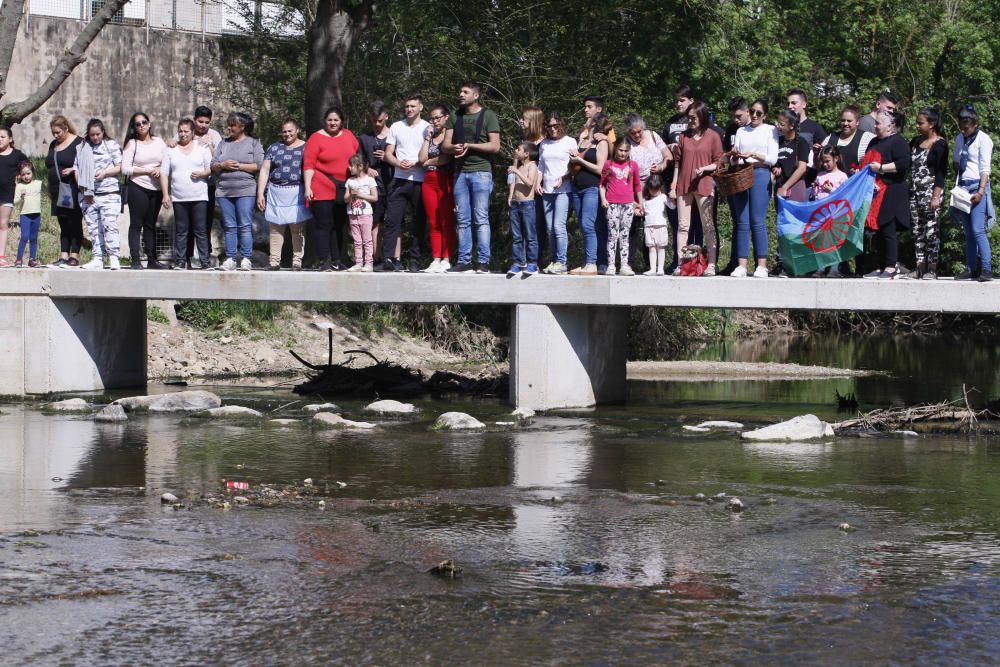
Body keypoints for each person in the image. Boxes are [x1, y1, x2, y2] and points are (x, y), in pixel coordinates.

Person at [442, 80, 501, 274]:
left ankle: (483, 262)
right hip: (460, 173)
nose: (461, 94)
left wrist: (470, 145)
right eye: (460, 91)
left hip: (482, 172)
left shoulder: (488, 115)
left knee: (481, 217)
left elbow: (495, 146)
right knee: (463, 219)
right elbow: (445, 146)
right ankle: (464, 260)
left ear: (476, 95)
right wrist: (455, 147)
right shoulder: (454, 116)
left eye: (465, 91)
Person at [821, 105, 876, 277]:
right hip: (834, 197)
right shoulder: (830, 138)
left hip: (856, 194)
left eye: (849, 121)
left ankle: (862, 268)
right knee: (834, 231)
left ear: (858, 122)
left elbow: (872, 161)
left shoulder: (866, 139)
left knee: (857, 230)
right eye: (843, 120)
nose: (845, 124)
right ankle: (837, 267)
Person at [378, 94, 430, 272]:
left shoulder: (427, 127)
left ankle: (415, 260)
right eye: (407, 106)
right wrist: (398, 163)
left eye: (413, 106)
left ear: (421, 107)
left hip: (420, 180)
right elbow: (388, 153)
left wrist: (417, 162)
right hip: (399, 179)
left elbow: (432, 152)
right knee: (392, 221)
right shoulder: (396, 126)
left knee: (419, 222)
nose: (409, 109)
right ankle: (388, 259)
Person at [670, 101, 723, 276]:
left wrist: (705, 169)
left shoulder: (713, 136)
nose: (690, 121)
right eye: (688, 117)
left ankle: (712, 263)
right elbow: (677, 162)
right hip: (684, 184)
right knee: (683, 226)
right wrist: (674, 184)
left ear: (702, 116)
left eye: (693, 117)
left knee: (708, 226)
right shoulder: (683, 137)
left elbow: (719, 163)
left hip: (704, 184)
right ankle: (681, 264)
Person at [304, 106, 359, 271]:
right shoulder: (316, 138)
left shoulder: (349, 135)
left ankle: (337, 259)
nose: (333, 123)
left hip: (344, 188)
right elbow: (308, 165)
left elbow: (357, 157)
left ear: (341, 121)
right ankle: (323, 260)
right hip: (321, 185)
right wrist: (308, 187)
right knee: (324, 224)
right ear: (325, 121)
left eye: (336, 120)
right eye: (330, 120)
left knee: (339, 224)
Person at [731, 99, 778, 278]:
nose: (755, 115)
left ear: (765, 115)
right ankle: (742, 264)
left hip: (760, 173)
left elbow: (772, 159)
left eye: (759, 113)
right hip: (742, 173)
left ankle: (762, 264)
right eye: (752, 111)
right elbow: (735, 156)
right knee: (742, 220)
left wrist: (755, 155)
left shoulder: (770, 130)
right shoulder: (741, 130)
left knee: (757, 220)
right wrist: (735, 156)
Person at [212, 112, 263, 271]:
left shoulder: (254, 143)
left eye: (232, 125)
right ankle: (231, 258)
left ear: (243, 126)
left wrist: (239, 166)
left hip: (245, 190)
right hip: (225, 191)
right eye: (229, 124)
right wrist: (223, 165)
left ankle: (246, 258)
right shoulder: (223, 143)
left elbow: (260, 165)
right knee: (229, 225)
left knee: (245, 225)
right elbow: (213, 165)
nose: (229, 127)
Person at [256, 117, 309, 271]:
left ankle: (297, 260)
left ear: (297, 130)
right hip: (275, 191)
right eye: (284, 131)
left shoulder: (306, 147)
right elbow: (265, 170)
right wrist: (260, 193)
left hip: (297, 191)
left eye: (290, 131)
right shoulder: (274, 147)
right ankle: (274, 261)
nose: (287, 134)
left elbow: (309, 170)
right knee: (275, 229)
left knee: (297, 228)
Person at [864, 110, 911, 279]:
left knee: (887, 228)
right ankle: (880, 265)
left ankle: (891, 266)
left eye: (878, 123)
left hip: (892, 191)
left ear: (890, 126)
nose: (875, 126)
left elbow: (904, 163)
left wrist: (883, 168)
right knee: (877, 230)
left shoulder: (898, 142)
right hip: (875, 192)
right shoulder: (874, 142)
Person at [949, 104, 994, 282]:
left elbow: (985, 169)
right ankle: (971, 268)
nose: (963, 130)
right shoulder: (960, 138)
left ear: (975, 124)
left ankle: (987, 269)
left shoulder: (984, 140)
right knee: (967, 231)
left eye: (966, 127)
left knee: (978, 229)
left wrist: (981, 191)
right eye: (961, 126)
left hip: (977, 187)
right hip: (963, 188)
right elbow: (956, 162)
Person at [903, 106, 947, 280]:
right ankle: (919, 268)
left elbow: (941, 173)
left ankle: (932, 269)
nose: (917, 126)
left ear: (931, 124)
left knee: (931, 232)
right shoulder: (915, 141)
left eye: (920, 123)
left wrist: (936, 196)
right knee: (918, 231)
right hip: (915, 194)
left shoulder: (940, 144)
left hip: (931, 194)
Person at [75, 118, 124, 270]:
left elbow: (120, 166)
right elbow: (76, 169)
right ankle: (98, 257)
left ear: (103, 132)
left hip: (109, 192)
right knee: (94, 227)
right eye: (92, 135)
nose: (95, 137)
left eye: (98, 134)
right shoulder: (83, 147)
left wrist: (105, 174)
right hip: (88, 194)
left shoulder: (111, 145)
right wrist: (82, 188)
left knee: (110, 225)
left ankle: (113, 257)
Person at [624, 112, 671, 269]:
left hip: (656, 187)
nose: (637, 135)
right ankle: (628, 262)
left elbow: (668, 156)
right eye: (633, 133)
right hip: (636, 188)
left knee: (653, 225)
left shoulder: (652, 135)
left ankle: (652, 265)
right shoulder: (626, 144)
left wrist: (661, 167)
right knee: (634, 225)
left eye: (639, 131)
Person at [122, 112, 168, 269]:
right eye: (137, 124)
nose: (141, 125)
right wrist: (146, 171)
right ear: (134, 127)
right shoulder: (132, 144)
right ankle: (135, 260)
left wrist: (158, 168)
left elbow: (167, 162)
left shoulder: (159, 142)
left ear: (149, 124)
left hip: (156, 188)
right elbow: (125, 168)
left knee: (150, 225)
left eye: (144, 122)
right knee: (136, 224)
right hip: (138, 186)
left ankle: (152, 259)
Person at [167, 118, 214, 270]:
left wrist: (202, 174)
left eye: (186, 131)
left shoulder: (202, 148)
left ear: (193, 132)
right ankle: (181, 261)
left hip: (199, 196)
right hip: (179, 197)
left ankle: (205, 262)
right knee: (181, 231)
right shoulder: (171, 149)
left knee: (200, 230)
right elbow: (164, 172)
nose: (183, 134)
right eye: (180, 131)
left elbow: (212, 169)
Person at [568, 111, 611, 275]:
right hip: (577, 187)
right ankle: (588, 261)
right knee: (583, 225)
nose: (585, 119)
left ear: (594, 123)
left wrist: (580, 160)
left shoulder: (601, 142)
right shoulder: (583, 140)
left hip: (592, 187)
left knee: (588, 224)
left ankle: (593, 263)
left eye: (588, 119)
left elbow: (601, 169)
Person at [418, 103, 456, 273]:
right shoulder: (431, 137)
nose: (434, 121)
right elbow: (421, 158)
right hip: (429, 180)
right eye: (432, 118)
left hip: (445, 178)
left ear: (446, 117)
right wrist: (427, 139)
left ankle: (447, 258)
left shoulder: (450, 135)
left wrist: (429, 161)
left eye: (437, 118)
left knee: (446, 220)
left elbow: (445, 159)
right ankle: (436, 258)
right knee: (433, 221)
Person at [538, 111, 576, 275]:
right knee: (549, 228)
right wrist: (536, 183)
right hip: (546, 190)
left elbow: (576, 168)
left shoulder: (570, 141)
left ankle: (562, 261)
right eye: (549, 126)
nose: (553, 128)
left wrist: (565, 178)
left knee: (558, 226)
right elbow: (540, 166)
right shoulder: (544, 143)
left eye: (556, 125)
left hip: (563, 190)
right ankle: (554, 261)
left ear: (561, 124)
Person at [718, 97, 751, 276]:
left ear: (748, 112)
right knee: (738, 222)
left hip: (752, 178)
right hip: (734, 180)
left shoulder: (755, 129)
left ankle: (759, 261)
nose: (736, 120)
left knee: (753, 222)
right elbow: (724, 155)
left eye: (739, 116)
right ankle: (735, 262)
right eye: (733, 116)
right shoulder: (731, 129)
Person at [45, 116, 84, 268]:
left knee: (74, 221)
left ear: (66, 129)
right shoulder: (53, 144)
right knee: (63, 222)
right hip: (56, 189)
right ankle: (63, 255)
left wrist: (74, 169)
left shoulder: (79, 143)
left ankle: (74, 255)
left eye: (58, 132)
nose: (55, 136)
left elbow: (86, 163)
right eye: (53, 133)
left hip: (71, 188)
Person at [600, 137, 643, 276]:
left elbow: (637, 186)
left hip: (628, 205)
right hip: (612, 204)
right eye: (620, 150)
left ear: (629, 151)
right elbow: (601, 184)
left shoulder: (633, 165)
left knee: (624, 235)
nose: (623, 153)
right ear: (615, 149)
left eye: (626, 151)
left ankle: (624, 265)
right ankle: (611, 265)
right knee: (613, 235)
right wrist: (603, 199)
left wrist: (640, 203)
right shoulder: (608, 164)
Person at [509, 107, 545, 263]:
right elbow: (513, 168)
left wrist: (537, 183)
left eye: (524, 119)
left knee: (535, 228)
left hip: (538, 190)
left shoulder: (544, 142)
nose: (521, 122)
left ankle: (534, 261)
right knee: (520, 230)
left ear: (533, 121)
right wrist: (510, 191)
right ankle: (520, 261)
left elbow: (543, 167)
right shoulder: (522, 144)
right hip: (520, 192)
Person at [359, 101, 393, 263]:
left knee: (393, 222)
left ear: (387, 116)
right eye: (374, 120)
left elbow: (405, 157)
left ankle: (392, 258)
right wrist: (367, 169)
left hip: (394, 183)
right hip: (373, 186)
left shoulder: (395, 134)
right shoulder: (365, 138)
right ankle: (375, 256)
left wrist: (388, 158)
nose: (377, 124)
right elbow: (358, 161)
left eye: (380, 120)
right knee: (375, 221)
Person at [506, 141, 540, 276]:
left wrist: (515, 171)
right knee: (516, 236)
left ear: (527, 154)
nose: (516, 151)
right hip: (516, 204)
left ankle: (532, 264)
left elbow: (529, 182)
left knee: (530, 236)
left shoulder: (532, 166)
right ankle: (518, 263)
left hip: (527, 204)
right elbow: (513, 182)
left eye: (519, 149)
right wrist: (510, 196)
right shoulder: (519, 167)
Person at [786, 88, 828, 181]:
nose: (789, 106)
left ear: (804, 104)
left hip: (807, 180)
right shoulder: (783, 128)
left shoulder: (815, 128)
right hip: (784, 178)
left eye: (793, 103)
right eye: (788, 103)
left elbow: (826, 154)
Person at [0, 126, 28, 267]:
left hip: (7, 194)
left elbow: (28, 168)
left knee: (3, 224)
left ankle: (1, 256)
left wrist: (20, 178)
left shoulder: (17, 155)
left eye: (2, 137)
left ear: (10, 139)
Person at [345, 154, 378, 271]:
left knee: (367, 240)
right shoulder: (350, 181)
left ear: (360, 166)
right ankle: (358, 263)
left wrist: (360, 195)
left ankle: (369, 264)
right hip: (352, 214)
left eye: (351, 165)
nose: (349, 168)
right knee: (357, 240)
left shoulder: (370, 180)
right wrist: (350, 195)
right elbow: (345, 199)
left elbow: (375, 197)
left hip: (366, 214)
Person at [774, 110, 810, 202]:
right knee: (780, 216)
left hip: (795, 186)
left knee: (793, 216)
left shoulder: (801, 143)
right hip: (779, 185)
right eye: (778, 123)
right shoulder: (777, 141)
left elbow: (802, 168)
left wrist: (785, 187)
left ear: (791, 126)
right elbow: (774, 162)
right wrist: (775, 168)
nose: (778, 126)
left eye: (782, 124)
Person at [13, 162, 41, 267]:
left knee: (34, 238)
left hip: (36, 215)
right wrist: (21, 198)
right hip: (25, 215)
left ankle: (32, 260)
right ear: (20, 175)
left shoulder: (38, 183)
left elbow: (48, 192)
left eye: (28, 173)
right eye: (23, 174)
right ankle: (19, 259)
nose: (26, 176)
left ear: (32, 172)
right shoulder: (19, 186)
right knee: (24, 236)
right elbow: (15, 202)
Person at [642, 174, 669, 275]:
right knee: (651, 248)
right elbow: (642, 211)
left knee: (661, 247)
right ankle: (653, 268)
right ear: (648, 188)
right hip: (649, 226)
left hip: (661, 225)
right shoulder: (645, 199)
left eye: (656, 189)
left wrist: (673, 198)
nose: (653, 191)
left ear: (660, 187)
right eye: (652, 189)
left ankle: (660, 268)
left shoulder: (663, 197)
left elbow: (672, 206)